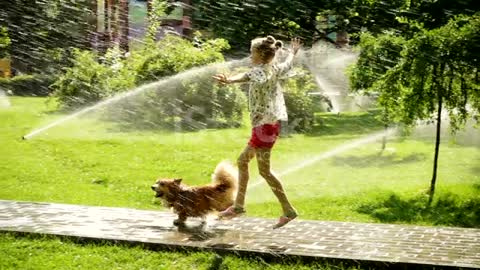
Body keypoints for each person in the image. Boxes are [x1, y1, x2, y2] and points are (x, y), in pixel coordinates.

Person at [212, 36, 301, 229]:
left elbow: (245, 77)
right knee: (243, 161)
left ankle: (288, 210)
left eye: (252, 52)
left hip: (264, 127)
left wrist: (228, 80)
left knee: (264, 171)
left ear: (260, 55)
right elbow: (286, 64)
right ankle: (238, 206)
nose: (250, 55)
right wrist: (293, 54)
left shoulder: (260, 72)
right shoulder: (274, 68)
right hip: (266, 126)